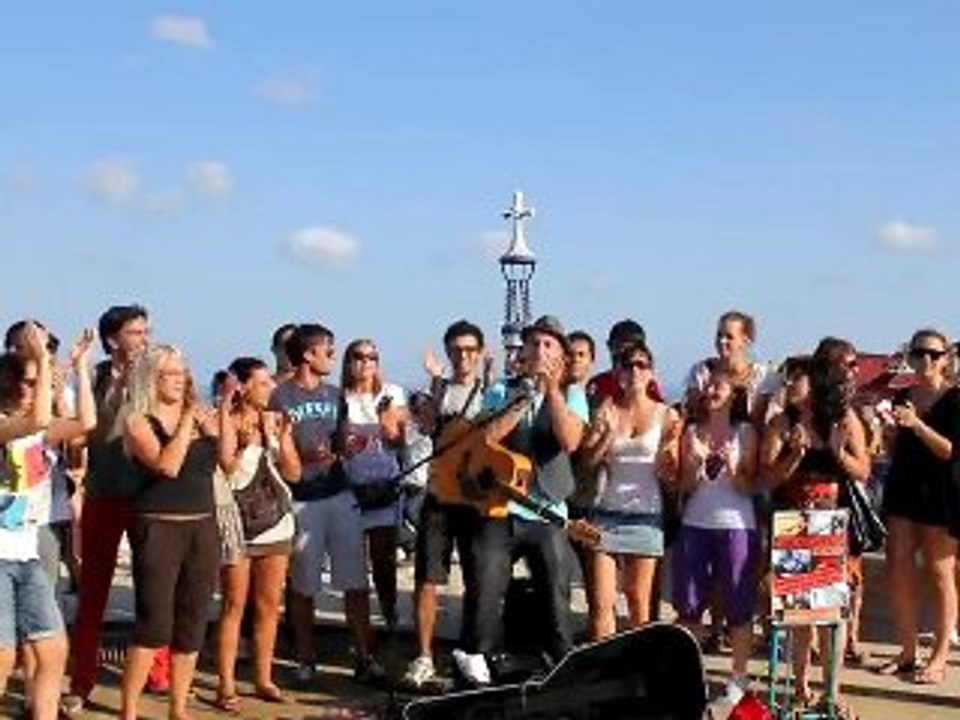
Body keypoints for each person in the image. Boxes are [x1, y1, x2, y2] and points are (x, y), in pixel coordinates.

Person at [458, 315, 589, 686]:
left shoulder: (573, 394)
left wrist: (553, 394)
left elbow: (570, 441)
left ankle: (560, 661)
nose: (540, 350)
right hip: (501, 507)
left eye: (549, 345)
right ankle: (476, 659)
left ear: (561, 356)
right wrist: (523, 399)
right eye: (534, 344)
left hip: (548, 510)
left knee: (555, 588)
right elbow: (486, 439)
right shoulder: (502, 390)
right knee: (486, 582)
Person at [66, 305, 171, 711]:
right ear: (113, 339)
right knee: (93, 593)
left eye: (146, 331)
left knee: (154, 591)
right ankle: (82, 680)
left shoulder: (157, 376)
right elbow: (83, 428)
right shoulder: (91, 377)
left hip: (148, 498)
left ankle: (158, 673)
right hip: (104, 494)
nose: (143, 339)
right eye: (135, 332)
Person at [762, 341, 869, 718]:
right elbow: (768, 477)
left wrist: (838, 452)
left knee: (832, 615)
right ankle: (801, 685)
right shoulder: (783, 421)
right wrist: (795, 454)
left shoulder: (845, 418)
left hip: (833, 524)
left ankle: (831, 690)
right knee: (798, 614)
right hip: (794, 521)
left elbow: (863, 471)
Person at [268, 324, 376, 684]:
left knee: (355, 581)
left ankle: (364, 655)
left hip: (339, 492)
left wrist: (347, 445)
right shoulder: (280, 398)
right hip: (303, 501)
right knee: (303, 586)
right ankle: (305, 657)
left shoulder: (335, 394)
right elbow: (275, 450)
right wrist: (303, 454)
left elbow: (341, 434)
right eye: (328, 350)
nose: (333, 356)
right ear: (308, 355)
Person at [119, 345, 220, 720]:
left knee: (193, 619)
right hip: (158, 525)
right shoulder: (137, 419)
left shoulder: (198, 413)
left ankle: (178, 708)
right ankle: (128, 710)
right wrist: (187, 426)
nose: (179, 379)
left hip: (202, 522)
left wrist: (220, 419)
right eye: (169, 373)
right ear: (151, 378)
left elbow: (223, 460)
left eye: (182, 372)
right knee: (154, 623)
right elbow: (168, 465)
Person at [0, 324, 96, 720]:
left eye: (36, 383)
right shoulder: (5, 424)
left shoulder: (38, 428)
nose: (32, 388)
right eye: (27, 383)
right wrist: (42, 359)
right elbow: (39, 418)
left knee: (53, 648)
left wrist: (80, 368)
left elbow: (86, 422)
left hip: (27, 554)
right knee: (3, 656)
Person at [215, 358, 302, 711]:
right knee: (234, 605)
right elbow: (226, 467)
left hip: (276, 522)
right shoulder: (228, 420)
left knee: (268, 606)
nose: (270, 389)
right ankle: (226, 684)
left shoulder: (276, 421)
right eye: (263, 383)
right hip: (237, 525)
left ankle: (263, 678)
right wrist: (242, 440)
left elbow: (294, 474)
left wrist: (279, 440)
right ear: (244, 387)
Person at [403, 320, 486, 688]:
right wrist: (436, 383)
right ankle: (423, 656)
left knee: (476, 578)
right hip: (438, 494)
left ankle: (469, 653)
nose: (463, 357)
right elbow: (426, 425)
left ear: (480, 353)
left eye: (470, 350)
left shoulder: (491, 392)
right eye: (456, 350)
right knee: (428, 578)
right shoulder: (440, 390)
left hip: (475, 499)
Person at [580, 340, 680, 637]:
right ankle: (604, 674)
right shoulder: (606, 409)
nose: (635, 370)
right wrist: (606, 436)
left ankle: (638, 673)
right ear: (619, 373)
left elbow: (670, 475)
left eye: (642, 365)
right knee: (601, 607)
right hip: (606, 515)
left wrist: (669, 454)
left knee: (639, 604)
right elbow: (588, 461)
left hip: (646, 517)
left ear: (651, 373)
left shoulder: (667, 416)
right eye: (628, 364)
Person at [674, 366, 760, 706]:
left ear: (734, 392)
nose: (711, 391)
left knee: (739, 603)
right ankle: (690, 675)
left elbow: (747, 485)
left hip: (738, 525)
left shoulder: (746, 433)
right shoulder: (691, 431)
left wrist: (733, 465)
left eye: (718, 385)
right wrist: (695, 465)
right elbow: (684, 486)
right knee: (690, 603)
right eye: (707, 385)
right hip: (696, 523)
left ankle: (738, 676)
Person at [878, 329, 960, 685]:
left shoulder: (955, 399)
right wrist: (891, 434)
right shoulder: (903, 395)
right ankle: (907, 650)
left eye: (933, 354)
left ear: (945, 359)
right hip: (904, 488)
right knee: (897, 567)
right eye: (918, 354)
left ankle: (940, 654)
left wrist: (917, 425)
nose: (925, 361)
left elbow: (950, 451)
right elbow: (895, 450)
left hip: (940, 492)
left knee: (941, 572)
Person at [338, 339, 408, 641]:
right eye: (359, 357)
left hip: (384, 484)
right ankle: (361, 628)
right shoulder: (340, 398)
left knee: (383, 559)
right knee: (355, 564)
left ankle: (390, 612)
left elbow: (398, 442)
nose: (366, 363)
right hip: (350, 487)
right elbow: (337, 446)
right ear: (348, 361)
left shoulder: (391, 394)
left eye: (372, 357)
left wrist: (385, 422)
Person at [586, 319, 648, 408]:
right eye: (618, 347)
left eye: (630, 349)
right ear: (609, 346)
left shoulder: (647, 385)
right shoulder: (596, 384)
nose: (623, 353)